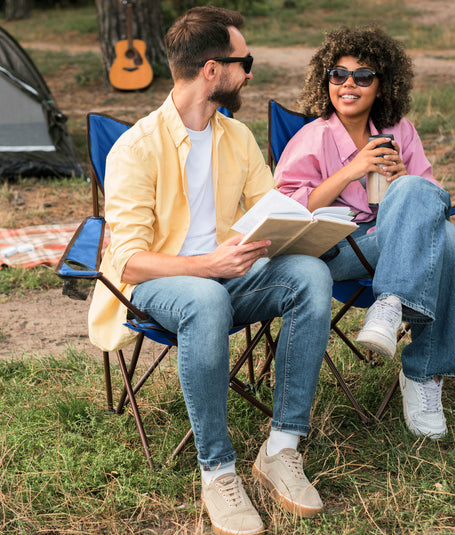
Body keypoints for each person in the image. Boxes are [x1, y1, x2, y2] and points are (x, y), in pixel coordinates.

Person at [88, 7, 333, 535]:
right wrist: (208, 265)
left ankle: (282, 448)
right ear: (211, 70)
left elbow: (270, 209)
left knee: (311, 275)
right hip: (162, 285)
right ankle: (218, 471)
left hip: (232, 274)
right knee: (205, 298)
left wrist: (300, 232)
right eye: (244, 62)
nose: (250, 72)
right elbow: (128, 259)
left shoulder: (238, 137)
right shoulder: (136, 148)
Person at [275, 25, 455, 440]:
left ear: (382, 85)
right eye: (337, 74)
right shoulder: (313, 137)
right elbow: (289, 208)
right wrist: (352, 170)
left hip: (394, 246)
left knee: (440, 228)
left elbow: (432, 199)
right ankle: (422, 371)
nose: (348, 84)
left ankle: (393, 306)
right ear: (325, 82)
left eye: (363, 76)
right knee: (443, 239)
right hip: (339, 249)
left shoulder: (400, 131)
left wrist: (403, 180)